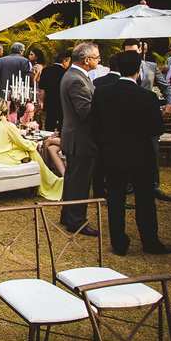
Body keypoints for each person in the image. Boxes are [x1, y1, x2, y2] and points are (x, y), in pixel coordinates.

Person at [90, 51, 171, 255]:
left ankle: (119, 243)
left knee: (115, 199)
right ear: (139, 70)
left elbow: (94, 125)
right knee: (145, 199)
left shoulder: (102, 93)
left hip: (112, 153)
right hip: (141, 154)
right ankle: (150, 241)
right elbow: (157, 128)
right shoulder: (147, 96)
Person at [123, 38, 171, 202]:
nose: (131, 54)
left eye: (133, 50)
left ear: (140, 49)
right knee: (128, 150)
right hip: (126, 116)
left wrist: (170, 103)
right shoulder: (120, 66)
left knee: (152, 151)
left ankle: (154, 185)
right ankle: (129, 183)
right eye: (127, 51)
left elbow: (165, 87)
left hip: (147, 115)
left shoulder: (151, 67)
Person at [0, 98, 63, 200]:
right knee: (31, 150)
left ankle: (47, 179)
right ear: (5, 110)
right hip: (1, 156)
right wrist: (34, 144)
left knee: (26, 150)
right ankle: (50, 182)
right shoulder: (7, 126)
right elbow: (21, 142)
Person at [59, 42, 101, 236]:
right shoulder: (76, 79)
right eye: (97, 57)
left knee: (72, 179)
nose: (99, 61)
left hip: (74, 136)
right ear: (86, 60)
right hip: (81, 138)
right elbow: (86, 111)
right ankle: (76, 221)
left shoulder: (74, 75)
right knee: (80, 182)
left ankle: (68, 214)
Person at [38, 49, 71, 132]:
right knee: (62, 125)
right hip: (62, 103)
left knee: (49, 124)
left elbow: (42, 89)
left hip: (49, 101)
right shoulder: (66, 73)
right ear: (65, 60)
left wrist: (41, 102)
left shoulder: (46, 70)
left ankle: (47, 140)